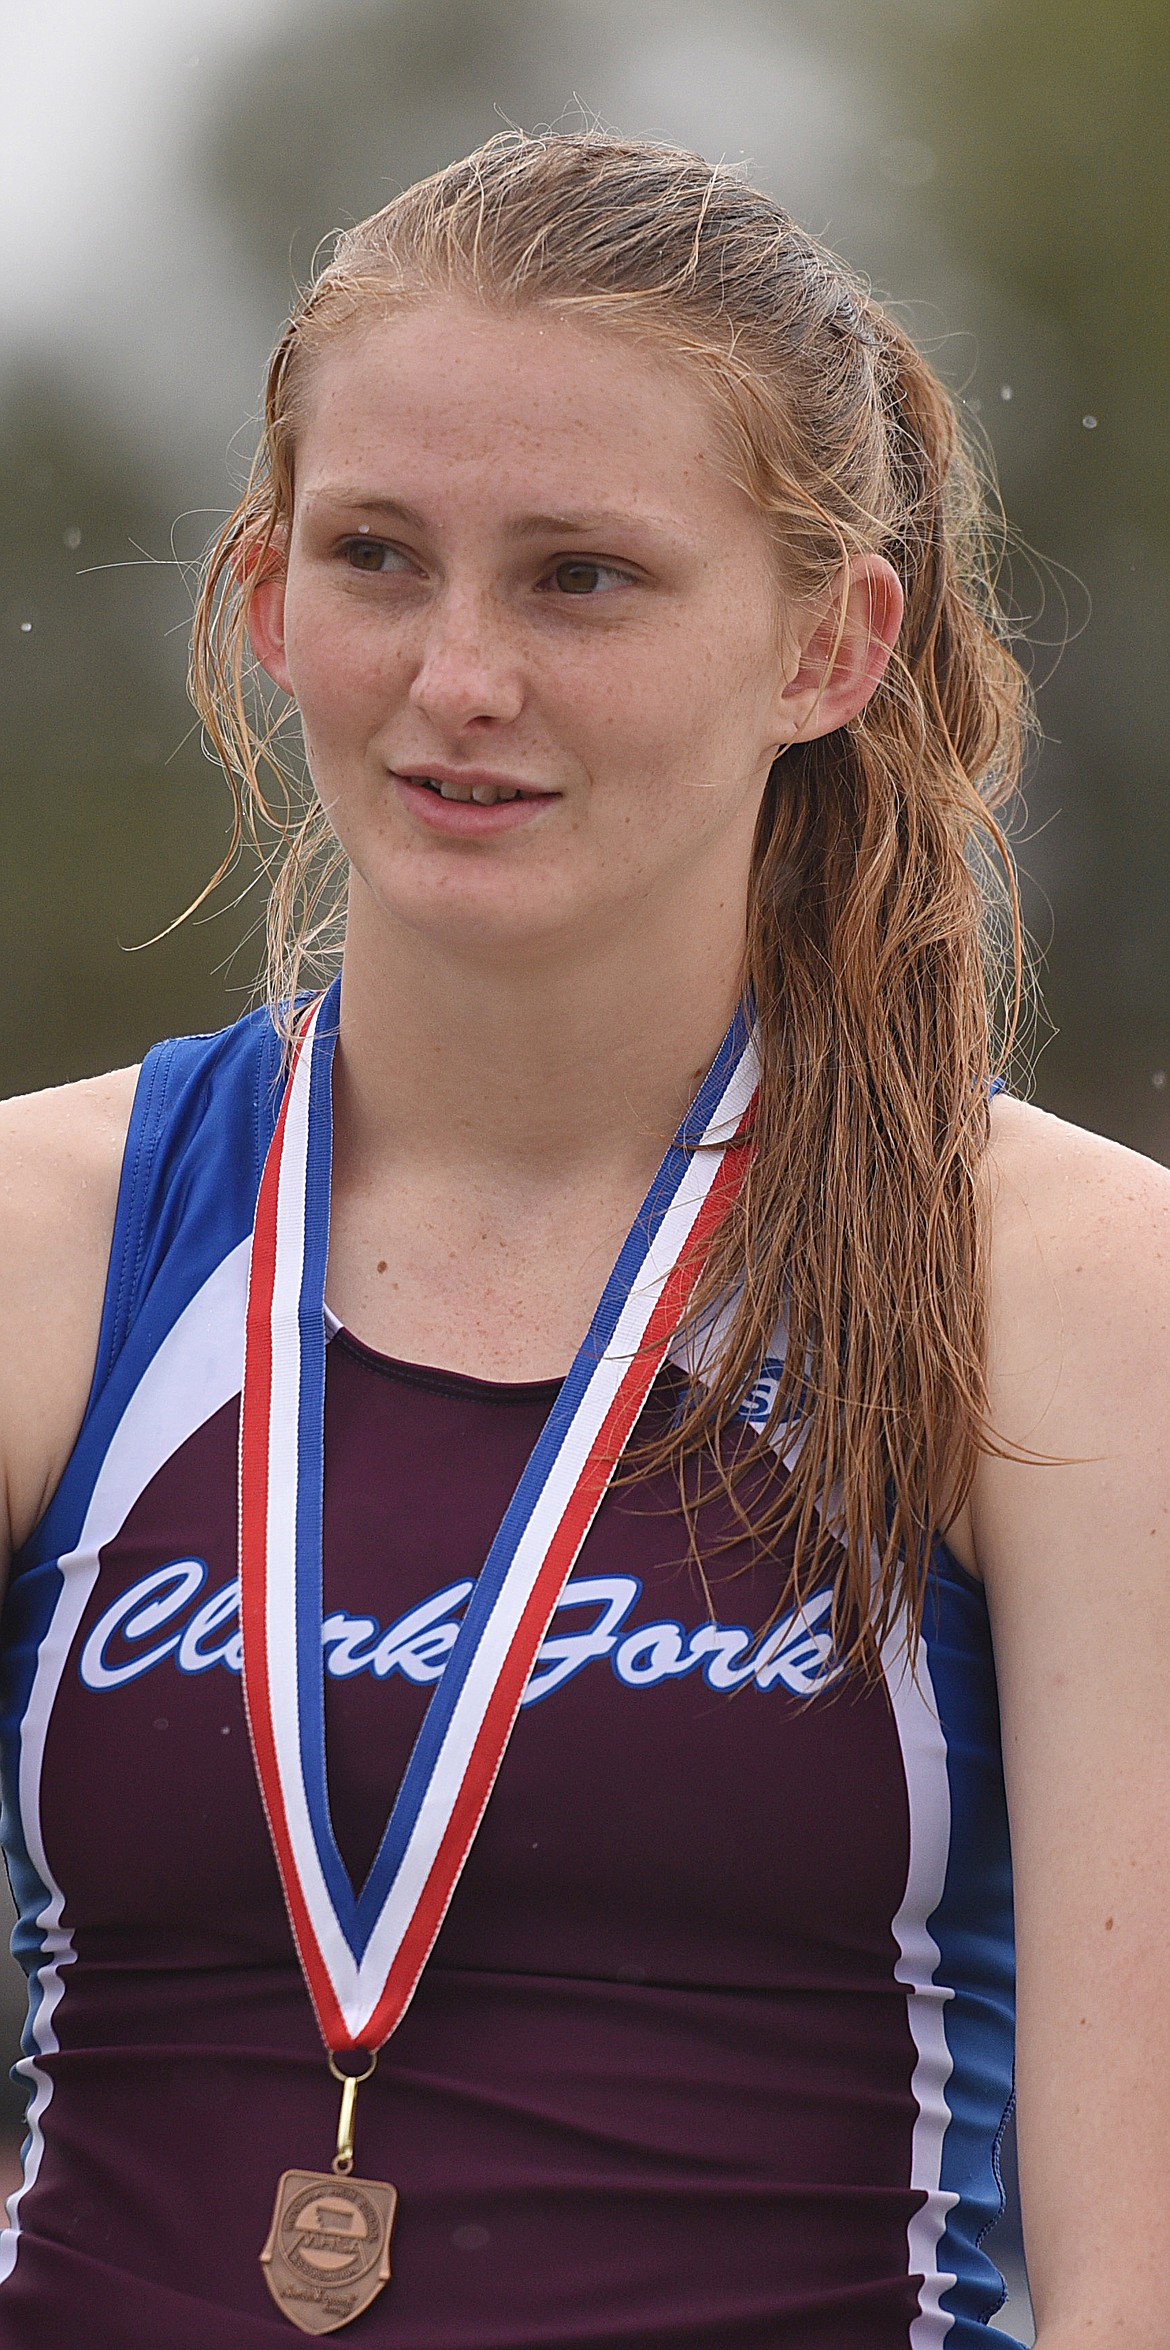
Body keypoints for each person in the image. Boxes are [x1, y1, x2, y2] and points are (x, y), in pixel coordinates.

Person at [0, 130, 1166, 2350]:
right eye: (377, 556)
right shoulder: (49, 1247)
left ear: (831, 640)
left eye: (581, 578)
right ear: (266, 600)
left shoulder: (1081, 1300)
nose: (458, 674)